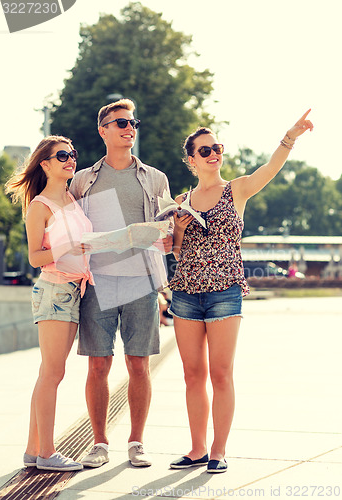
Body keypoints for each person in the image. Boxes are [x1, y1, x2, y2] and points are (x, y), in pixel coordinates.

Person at [168, 110, 313, 473]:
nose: (214, 153)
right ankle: (197, 448)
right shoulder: (181, 200)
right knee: (192, 374)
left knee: (221, 373)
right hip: (186, 292)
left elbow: (270, 168)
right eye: (205, 150)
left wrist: (289, 137)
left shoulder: (238, 189)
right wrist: (180, 230)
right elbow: (175, 249)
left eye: (217, 147)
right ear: (191, 160)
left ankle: (218, 451)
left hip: (224, 293)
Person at [69, 98, 173, 468]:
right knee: (98, 366)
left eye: (133, 123)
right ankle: (99, 443)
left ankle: (136, 442)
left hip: (142, 283)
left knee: (139, 365)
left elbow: (168, 229)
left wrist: (167, 236)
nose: (129, 128)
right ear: (104, 130)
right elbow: (72, 231)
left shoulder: (155, 178)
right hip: (97, 282)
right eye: (121, 123)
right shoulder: (83, 180)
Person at [5, 136, 94, 472]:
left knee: (49, 373)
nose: (70, 160)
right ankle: (47, 453)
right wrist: (68, 247)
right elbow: (35, 257)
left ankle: (32, 450)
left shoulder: (72, 198)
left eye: (72, 154)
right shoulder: (41, 206)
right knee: (53, 373)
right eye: (62, 156)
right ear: (44, 164)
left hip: (74, 290)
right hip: (54, 292)